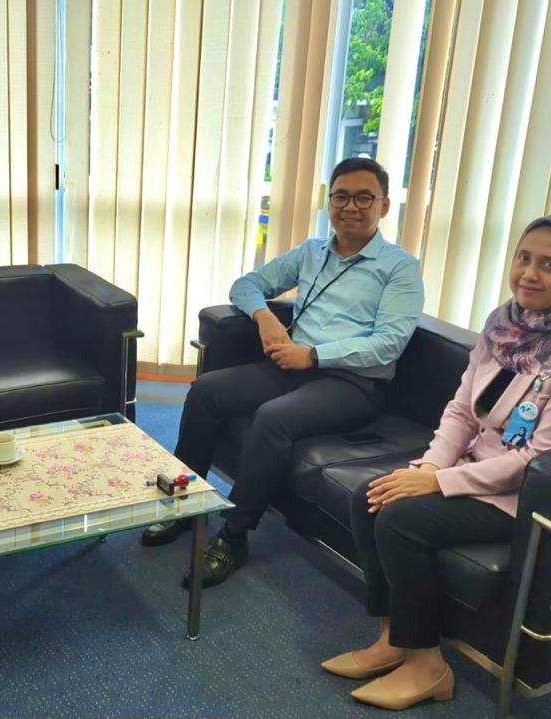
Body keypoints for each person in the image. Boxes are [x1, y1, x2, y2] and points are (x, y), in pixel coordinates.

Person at [322, 212, 551, 711]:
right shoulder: (506, 324)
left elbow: (538, 460)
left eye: (550, 265)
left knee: (399, 521)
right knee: (370, 498)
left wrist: (441, 484)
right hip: (473, 470)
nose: (529, 273)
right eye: (524, 258)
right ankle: (393, 638)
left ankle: (428, 666)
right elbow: (463, 409)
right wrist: (429, 467)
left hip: (526, 497)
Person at [141, 157, 425, 589]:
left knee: (272, 418)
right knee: (206, 390)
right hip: (292, 366)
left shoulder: (400, 267)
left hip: (352, 383)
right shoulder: (312, 252)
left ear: (384, 206)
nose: (350, 206)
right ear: (329, 202)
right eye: (341, 196)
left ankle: (234, 536)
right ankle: (184, 503)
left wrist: (314, 355)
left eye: (364, 197)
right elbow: (246, 285)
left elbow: (389, 342)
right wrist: (265, 318)